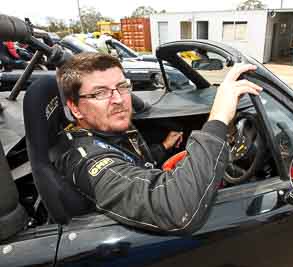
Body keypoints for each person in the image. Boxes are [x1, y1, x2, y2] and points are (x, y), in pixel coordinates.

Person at [55, 52, 262, 233]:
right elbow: (178, 211)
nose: (118, 99)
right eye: (100, 93)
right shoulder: (86, 160)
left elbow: (134, 160)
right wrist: (219, 117)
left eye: (121, 86)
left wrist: (165, 146)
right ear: (76, 108)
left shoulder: (108, 127)